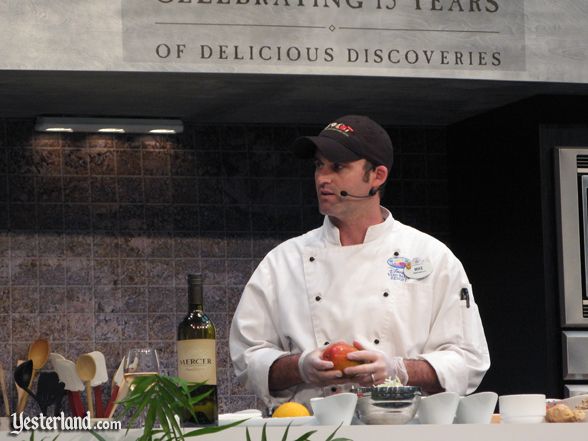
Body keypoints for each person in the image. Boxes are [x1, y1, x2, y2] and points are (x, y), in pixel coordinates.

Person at [229, 115, 490, 409]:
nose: (322, 178)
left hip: (405, 430)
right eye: (319, 165)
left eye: (338, 167)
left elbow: (469, 359)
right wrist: (300, 366)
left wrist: (398, 370)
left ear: (377, 176)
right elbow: (246, 357)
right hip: (312, 430)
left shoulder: (431, 257)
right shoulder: (282, 262)